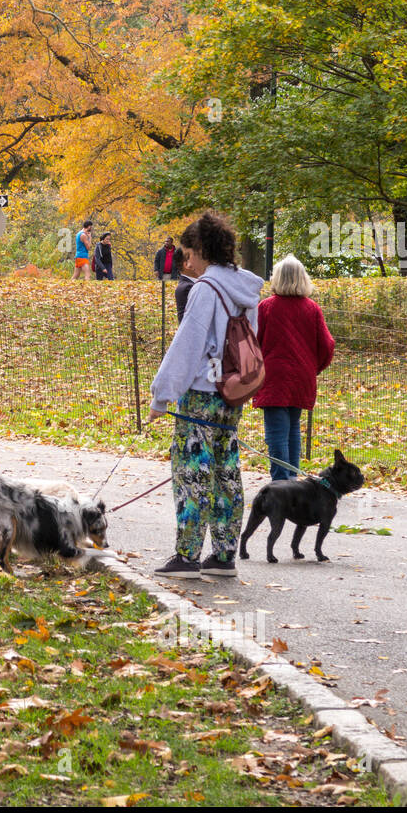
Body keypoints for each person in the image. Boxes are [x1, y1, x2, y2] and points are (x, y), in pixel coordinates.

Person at [147, 210, 263, 579]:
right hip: (232, 393)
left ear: (202, 251)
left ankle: (187, 555)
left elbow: (187, 346)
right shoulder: (246, 290)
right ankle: (225, 553)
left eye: (188, 253)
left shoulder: (205, 290)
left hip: (201, 392)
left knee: (191, 470)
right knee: (225, 469)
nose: (186, 261)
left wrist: (162, 396)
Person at [253, 255, 335, 479]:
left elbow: (254, 343)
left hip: (273, 378)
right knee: (292, 430)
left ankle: (281, 481)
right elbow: (327, 345)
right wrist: (312, 368)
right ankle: (292, 479)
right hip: (301, 377)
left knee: (277, 433)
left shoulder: (266, 308)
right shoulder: (312, 309)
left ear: (277, 278)